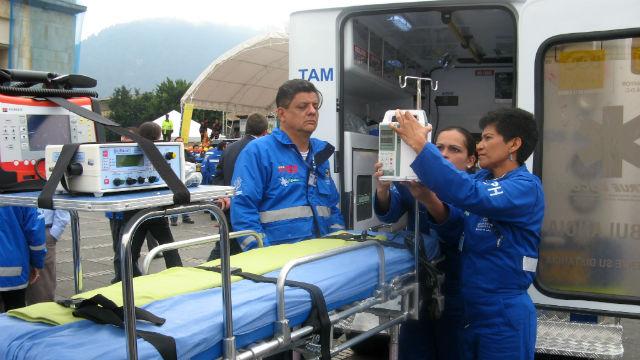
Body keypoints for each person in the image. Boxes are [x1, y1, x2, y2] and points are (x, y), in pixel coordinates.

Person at [391, 108, 543, 360]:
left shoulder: (524, 188)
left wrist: (421, 144)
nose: (480, 146)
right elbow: (456, 227)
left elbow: (469, 192)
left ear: (514, 144)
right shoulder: (484, 179)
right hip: (470, 309)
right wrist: (428, 199)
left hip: (503, 313)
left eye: (488, 138)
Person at [374, 126, 477, 360]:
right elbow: (388, 214)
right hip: (418, 286)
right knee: (414, 351)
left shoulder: (473, 191)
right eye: (438, 147)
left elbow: (455, 228)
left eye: (454, 149)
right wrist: (383, 188)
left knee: (455, 350)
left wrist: (429, 200)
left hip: (457, 288)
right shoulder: (415, 182)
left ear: (471, 160)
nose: (443, 154)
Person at [231, 79, 345, 251]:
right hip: (280, 267)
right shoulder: (258, 152)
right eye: (303, 106)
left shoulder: (321, 154)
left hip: (321, 260)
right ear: (282, 114)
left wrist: (338, 246)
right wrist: (265, 259)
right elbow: (243, 212)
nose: (312, 111)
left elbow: (332, 208)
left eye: (315, 106)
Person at [108, 122, 183, 283]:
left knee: (129, 252)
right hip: (156, 208)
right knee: (169, 248)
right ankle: (179, 278)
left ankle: (123, 283)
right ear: (158, 136)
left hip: (134, 210)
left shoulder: (132, 151)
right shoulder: (161, 151)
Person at [207, 112, 269, 260]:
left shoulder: (229, 148)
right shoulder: (262, 150)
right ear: (265, 132)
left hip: (229, 210)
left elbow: (218, 177)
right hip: (251, 212)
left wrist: (225, 198)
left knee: (222, 251)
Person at [0, 206, 45, 312]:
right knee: (15, 318)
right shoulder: (22, 192)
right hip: (13, 270)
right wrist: (37, 263)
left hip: (12, 270)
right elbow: (36, 234)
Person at [25, 209, 70, 304]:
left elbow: (61, 201)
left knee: (42, 289)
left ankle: (41, 315)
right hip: (16, 228)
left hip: (43, 228)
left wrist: (53, 234)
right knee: (13, 288)